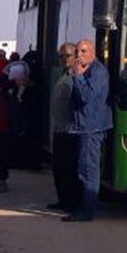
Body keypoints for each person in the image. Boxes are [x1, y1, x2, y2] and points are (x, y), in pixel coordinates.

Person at [63, 38, 112, 222]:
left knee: (88, 171)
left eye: (83, 51)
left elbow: (86, 97)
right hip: (82, 127)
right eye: (77, 52)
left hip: (91, 128)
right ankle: (81, 206)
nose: (79, 56)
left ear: (93, 53)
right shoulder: (86, 70)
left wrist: (78, 76)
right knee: (82, 169)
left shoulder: (97, 71)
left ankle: (87, 211)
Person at [47, 43, 81, 211]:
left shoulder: (78, 76)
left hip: (71, 131)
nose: (63, 59)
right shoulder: (64, 75)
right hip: (60, 129)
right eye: (61, 56)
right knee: (59, 169)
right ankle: (63, 200)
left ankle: (71, 202)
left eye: (67, 56)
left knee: (69, 170)